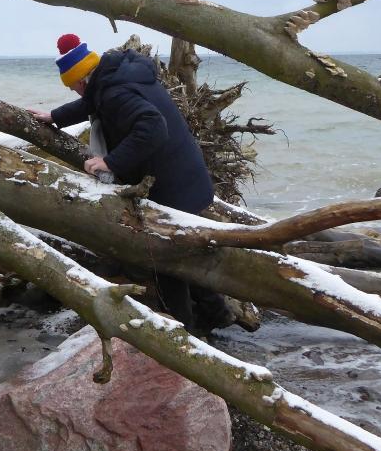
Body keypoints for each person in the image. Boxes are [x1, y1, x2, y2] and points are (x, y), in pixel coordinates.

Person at [28, 33, 233, 334]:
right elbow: (91, 102)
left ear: (82, 80)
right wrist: (55, 116)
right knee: (182, 254)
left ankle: (185, 333)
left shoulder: (114, 93)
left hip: (172, 183)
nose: (75, 91)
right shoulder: (116, 76)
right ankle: (217, 313)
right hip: (184, 175)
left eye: (72, 86)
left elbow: (152, 128)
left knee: (165, 262)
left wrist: (110, 162)